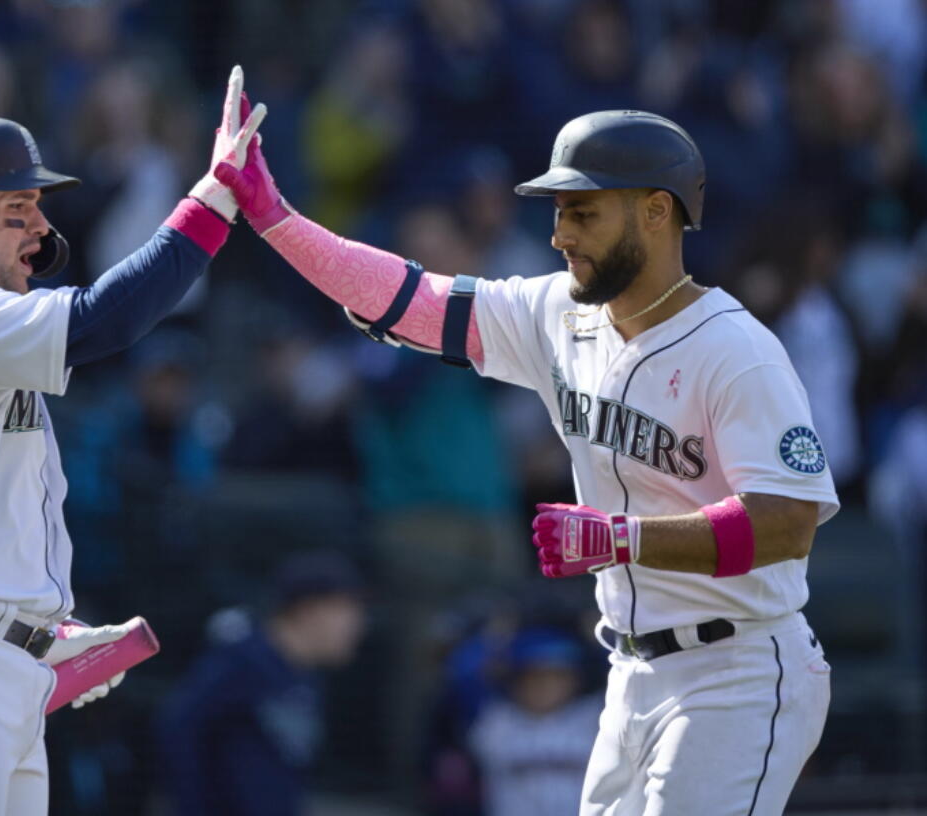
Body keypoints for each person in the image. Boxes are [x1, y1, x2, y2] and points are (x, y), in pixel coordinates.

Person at [214, 107, 838, 814]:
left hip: (739, 672)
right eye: (559, 212)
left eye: (583, 212)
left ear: (656, 212)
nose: (559, 234)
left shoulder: (737, 352)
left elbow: (787, 523)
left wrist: (621, 539)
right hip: (633, 670)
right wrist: (274, 218)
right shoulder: (558, 313)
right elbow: (410, 300)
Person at [0, 67, 265, 814]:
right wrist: (216, 199)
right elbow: (106, 319)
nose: (39, 227)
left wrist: (37, 630)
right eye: (16, 208)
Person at [157, 550, 367, 816]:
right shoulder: (242, 660)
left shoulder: (308, 678)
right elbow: (178, 726)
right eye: (346, 609)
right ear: (309, 609)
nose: (357, 624)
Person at [468, 626, 600, 816]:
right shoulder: (496, 721)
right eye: (535, 675)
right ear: (516, 680)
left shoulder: (594, 717)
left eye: (557, 675)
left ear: (575, 679)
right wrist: (494, 640)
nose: (545, 684)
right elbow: (464, 677)